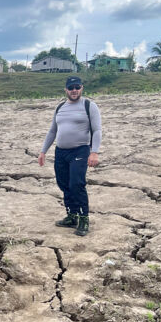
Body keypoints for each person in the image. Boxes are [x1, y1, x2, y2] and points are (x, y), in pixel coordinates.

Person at [38, 76, 102, 236]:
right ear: (65, 89)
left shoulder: (89, 106)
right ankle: (72, 216)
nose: (74, 90)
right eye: (71, 87)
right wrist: (43, 151)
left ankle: (83, 219)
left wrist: (94, 152)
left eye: (77, 87)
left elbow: (97, 130)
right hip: (61, 152)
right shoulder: (60, 107)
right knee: (64, 184)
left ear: (82, 88)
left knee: (76, 184)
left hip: (80, 151)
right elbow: (52, 130)